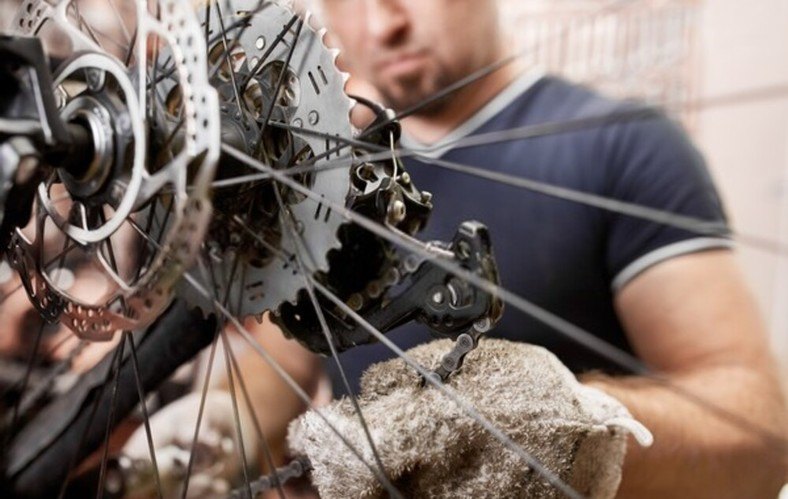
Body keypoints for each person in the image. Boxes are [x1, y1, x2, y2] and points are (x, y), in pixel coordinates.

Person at [292, 0, 786, 497]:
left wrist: (577, 424)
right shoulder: (322, 179)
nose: (383, 24)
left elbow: (762, 437)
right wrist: (221, 425)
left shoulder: (627, 144)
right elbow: (266, 386)